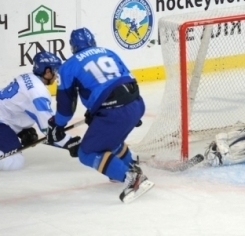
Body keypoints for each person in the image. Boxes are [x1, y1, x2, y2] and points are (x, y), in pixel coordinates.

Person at [49, 27, 153, 202]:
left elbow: (66, 109)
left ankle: (132, 179)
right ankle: (129, 164)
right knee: (108, 140)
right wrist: (98, 110)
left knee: (87, 152)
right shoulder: (108, 52)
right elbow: (127, 78)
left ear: (73, 47)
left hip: (114, 113)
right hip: (136, 103)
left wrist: (57, 125)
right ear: (93, 42)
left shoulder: (68, 66)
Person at [0, 52, 80, 171]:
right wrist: (69, 143)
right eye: (55, 70)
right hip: (2, 123)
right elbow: (50, 130)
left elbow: (14, 105)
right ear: (47, 72)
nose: (57, 74)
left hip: (4, 120)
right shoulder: (39, 93)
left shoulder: (26, 76)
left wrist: (22, 131)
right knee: (14, 162)